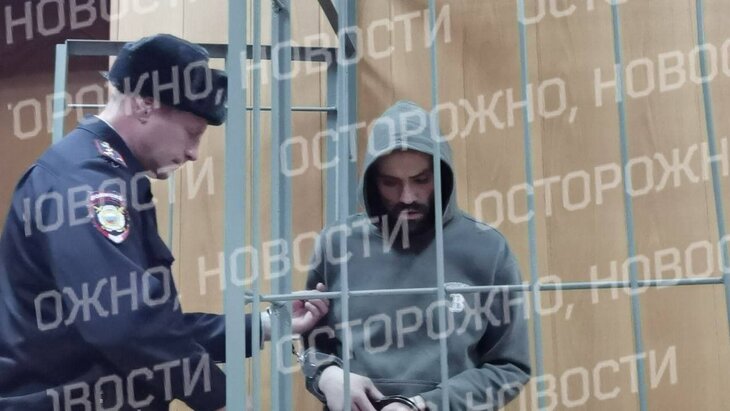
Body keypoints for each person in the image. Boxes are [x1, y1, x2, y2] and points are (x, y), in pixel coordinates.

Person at [0, 33, 328, 411]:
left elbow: (151, 326)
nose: (193, 153)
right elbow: (125, 328)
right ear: (144, 105)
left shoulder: (104, 175)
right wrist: (221, 399)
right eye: (192, 133)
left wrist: (268, 325)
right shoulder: (87, 184)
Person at [301, 101, 531, 411]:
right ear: (372, 181)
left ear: (441, 175)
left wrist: (425, 405)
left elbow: (509, 367)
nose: (407, 197)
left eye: (421, 180)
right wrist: (326, 374)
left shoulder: (488, 248)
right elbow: (314, 348)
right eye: (390, 183)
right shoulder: (337, 244)